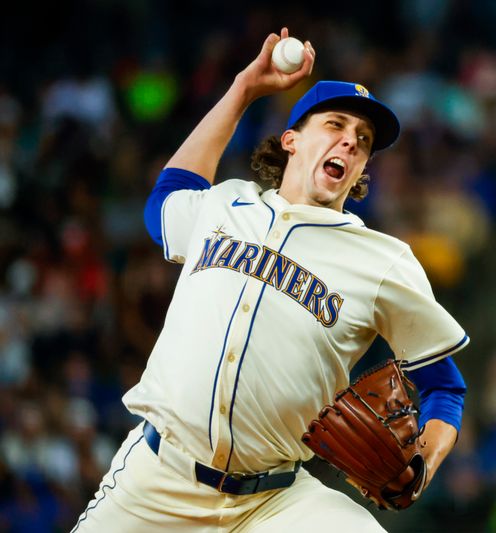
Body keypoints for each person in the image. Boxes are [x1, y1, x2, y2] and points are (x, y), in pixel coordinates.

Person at [71, 28, 469, 532]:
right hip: (156, 481)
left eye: (363, 140)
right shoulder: (225, 205)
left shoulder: (383, 261)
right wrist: (242, 90)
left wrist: (423, 465)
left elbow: (444, 386)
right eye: (335, 124)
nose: (350, 139)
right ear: (291, 140)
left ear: (361, 166)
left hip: (275, 502)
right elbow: (166, 200)